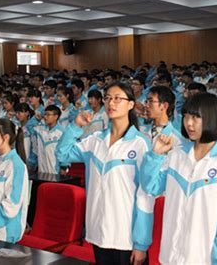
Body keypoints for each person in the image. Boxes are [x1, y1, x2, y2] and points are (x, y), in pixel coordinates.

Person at [56, 82, 153, 265]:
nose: (111, 103)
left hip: (126, 236)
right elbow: (62, 154)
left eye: (118, 98)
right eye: (108, 98)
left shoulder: (140, 144)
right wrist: (76, 126)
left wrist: (141, 243)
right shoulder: (94, 140)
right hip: (98, 231)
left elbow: (145, 195)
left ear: (131, 104)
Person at [140, 93, 217, 264]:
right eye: (186, 116)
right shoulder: (177, 154)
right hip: (171, 255)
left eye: (196, 117)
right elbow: (151, 186)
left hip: (203, 258)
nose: (188, 123)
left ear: (211, 118)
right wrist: (155, 156)